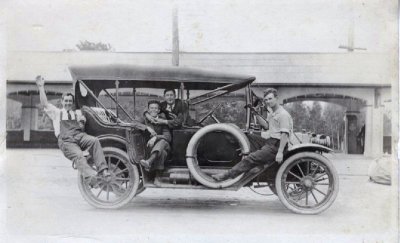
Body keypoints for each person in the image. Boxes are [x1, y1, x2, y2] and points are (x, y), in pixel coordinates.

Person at [35, 75, 110, 181]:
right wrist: (41, 87)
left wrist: (82, 122)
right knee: (79, 155)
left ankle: (103, 170)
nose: (68, 103)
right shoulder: (57, 113)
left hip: (79, 137)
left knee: (94, 141)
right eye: (66, 101)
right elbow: (45, 104)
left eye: (70, 101)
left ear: (72, 102)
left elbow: (81, 128)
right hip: (67, 142)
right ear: (62, 101)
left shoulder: (77, 113)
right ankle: (91, 177)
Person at [212, 88, 293, 181]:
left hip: (277, 146)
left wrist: (280, 152)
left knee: (251, 158)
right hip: (270, 141)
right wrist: (255, 113)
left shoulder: (283, 115)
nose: (268, 101)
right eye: (266, 100)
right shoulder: (273, 113)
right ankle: (258, 163)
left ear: (276, 98)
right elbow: (266, 126)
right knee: (247, 136)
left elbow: (285, 134)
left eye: (270, 99)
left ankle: (226, 175)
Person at [139, 100, 171, 171]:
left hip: (164, 145)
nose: (153, 110)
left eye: (155, 108)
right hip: (150, 147)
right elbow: (133, 123)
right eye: (151, 108)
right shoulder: (144, 120)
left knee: (163, 141)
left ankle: (149, 161)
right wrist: (147, 127)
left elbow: (168, 137)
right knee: (162, 153)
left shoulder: (162, 120)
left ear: (159, 110)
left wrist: (155, 137)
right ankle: (158, 177)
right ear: (148, 110)